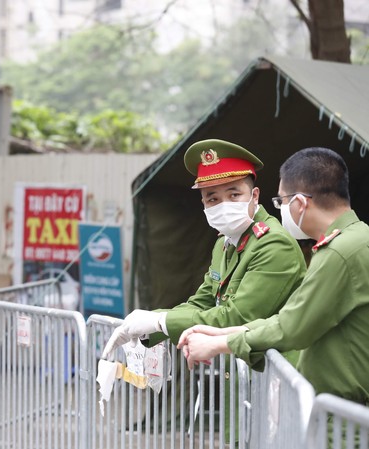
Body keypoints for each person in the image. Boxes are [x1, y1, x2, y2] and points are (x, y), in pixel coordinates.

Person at [179, 147, 369, 406]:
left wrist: (220, 343)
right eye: (212, 199)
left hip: (344, 418)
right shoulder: (355, 239)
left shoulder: (340, 251)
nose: (279, 209)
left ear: (300, 203)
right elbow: (292, 318)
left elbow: (291, 328)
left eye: (281, 201)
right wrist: (222, 333)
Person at [102, 139, 306, 359]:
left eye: (234, 195)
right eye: (213, 199)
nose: (224, 205)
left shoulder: (273, 244)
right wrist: (148, 327)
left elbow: (237, 317)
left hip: (273, 379)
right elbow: (203, 302)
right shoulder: (224, 243)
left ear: (254, 196)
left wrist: (159, 322)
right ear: (203, 203)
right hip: (239, 376)